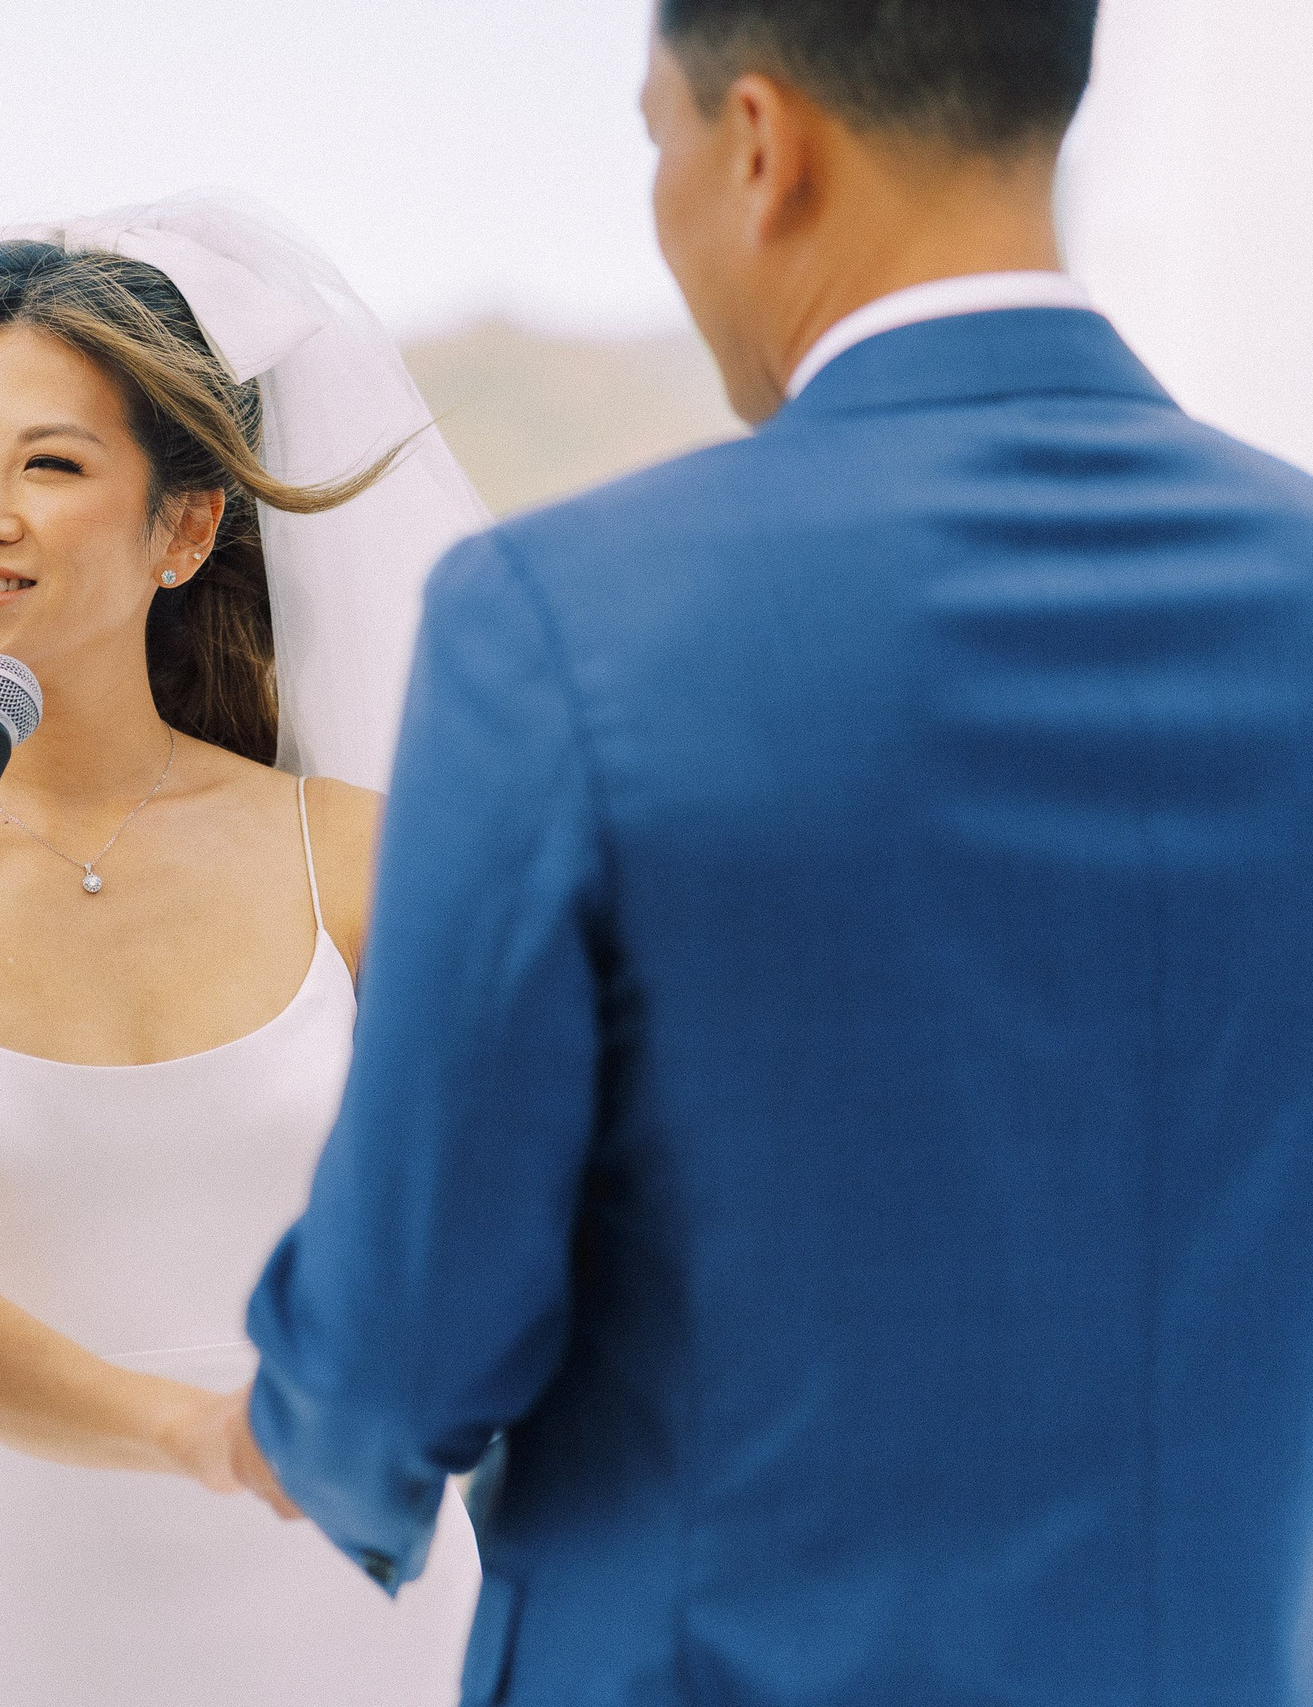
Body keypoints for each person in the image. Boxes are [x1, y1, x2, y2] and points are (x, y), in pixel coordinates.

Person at [234, 2, 1313, 1702]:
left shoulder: (567, 622)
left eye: (652, 136)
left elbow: (393, 1360)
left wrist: (298, 1412)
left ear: (759, 143)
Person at [0, 198, 487, 1705]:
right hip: (36, 1638)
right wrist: (198, 1434)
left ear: (186, 527)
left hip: (362, 1605)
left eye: (51, 464)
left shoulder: (358, 855)